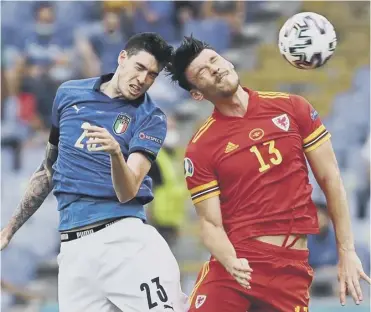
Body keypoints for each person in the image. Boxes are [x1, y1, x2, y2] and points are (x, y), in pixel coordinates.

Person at [166, 36, 370, 312]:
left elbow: (331, 179)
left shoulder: (293, 107)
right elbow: (210, 225)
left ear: (227, 61)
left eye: (214, 60)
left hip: (291, 270)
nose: (213, 69)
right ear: (197, 94)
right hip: (237, 265)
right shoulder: (201, 147)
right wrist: (230, 260)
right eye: (202, 72)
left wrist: (346, 252)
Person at [1, 32, 187, 312]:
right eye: (139, 68)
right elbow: (48, 170)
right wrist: (10, 228)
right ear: (122, 57)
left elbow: (128, 191)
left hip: (124, 240)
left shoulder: (150, 118)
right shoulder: (68, 95)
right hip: (74, 251)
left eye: (152, 75)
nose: (143, 80)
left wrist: (115, 154)